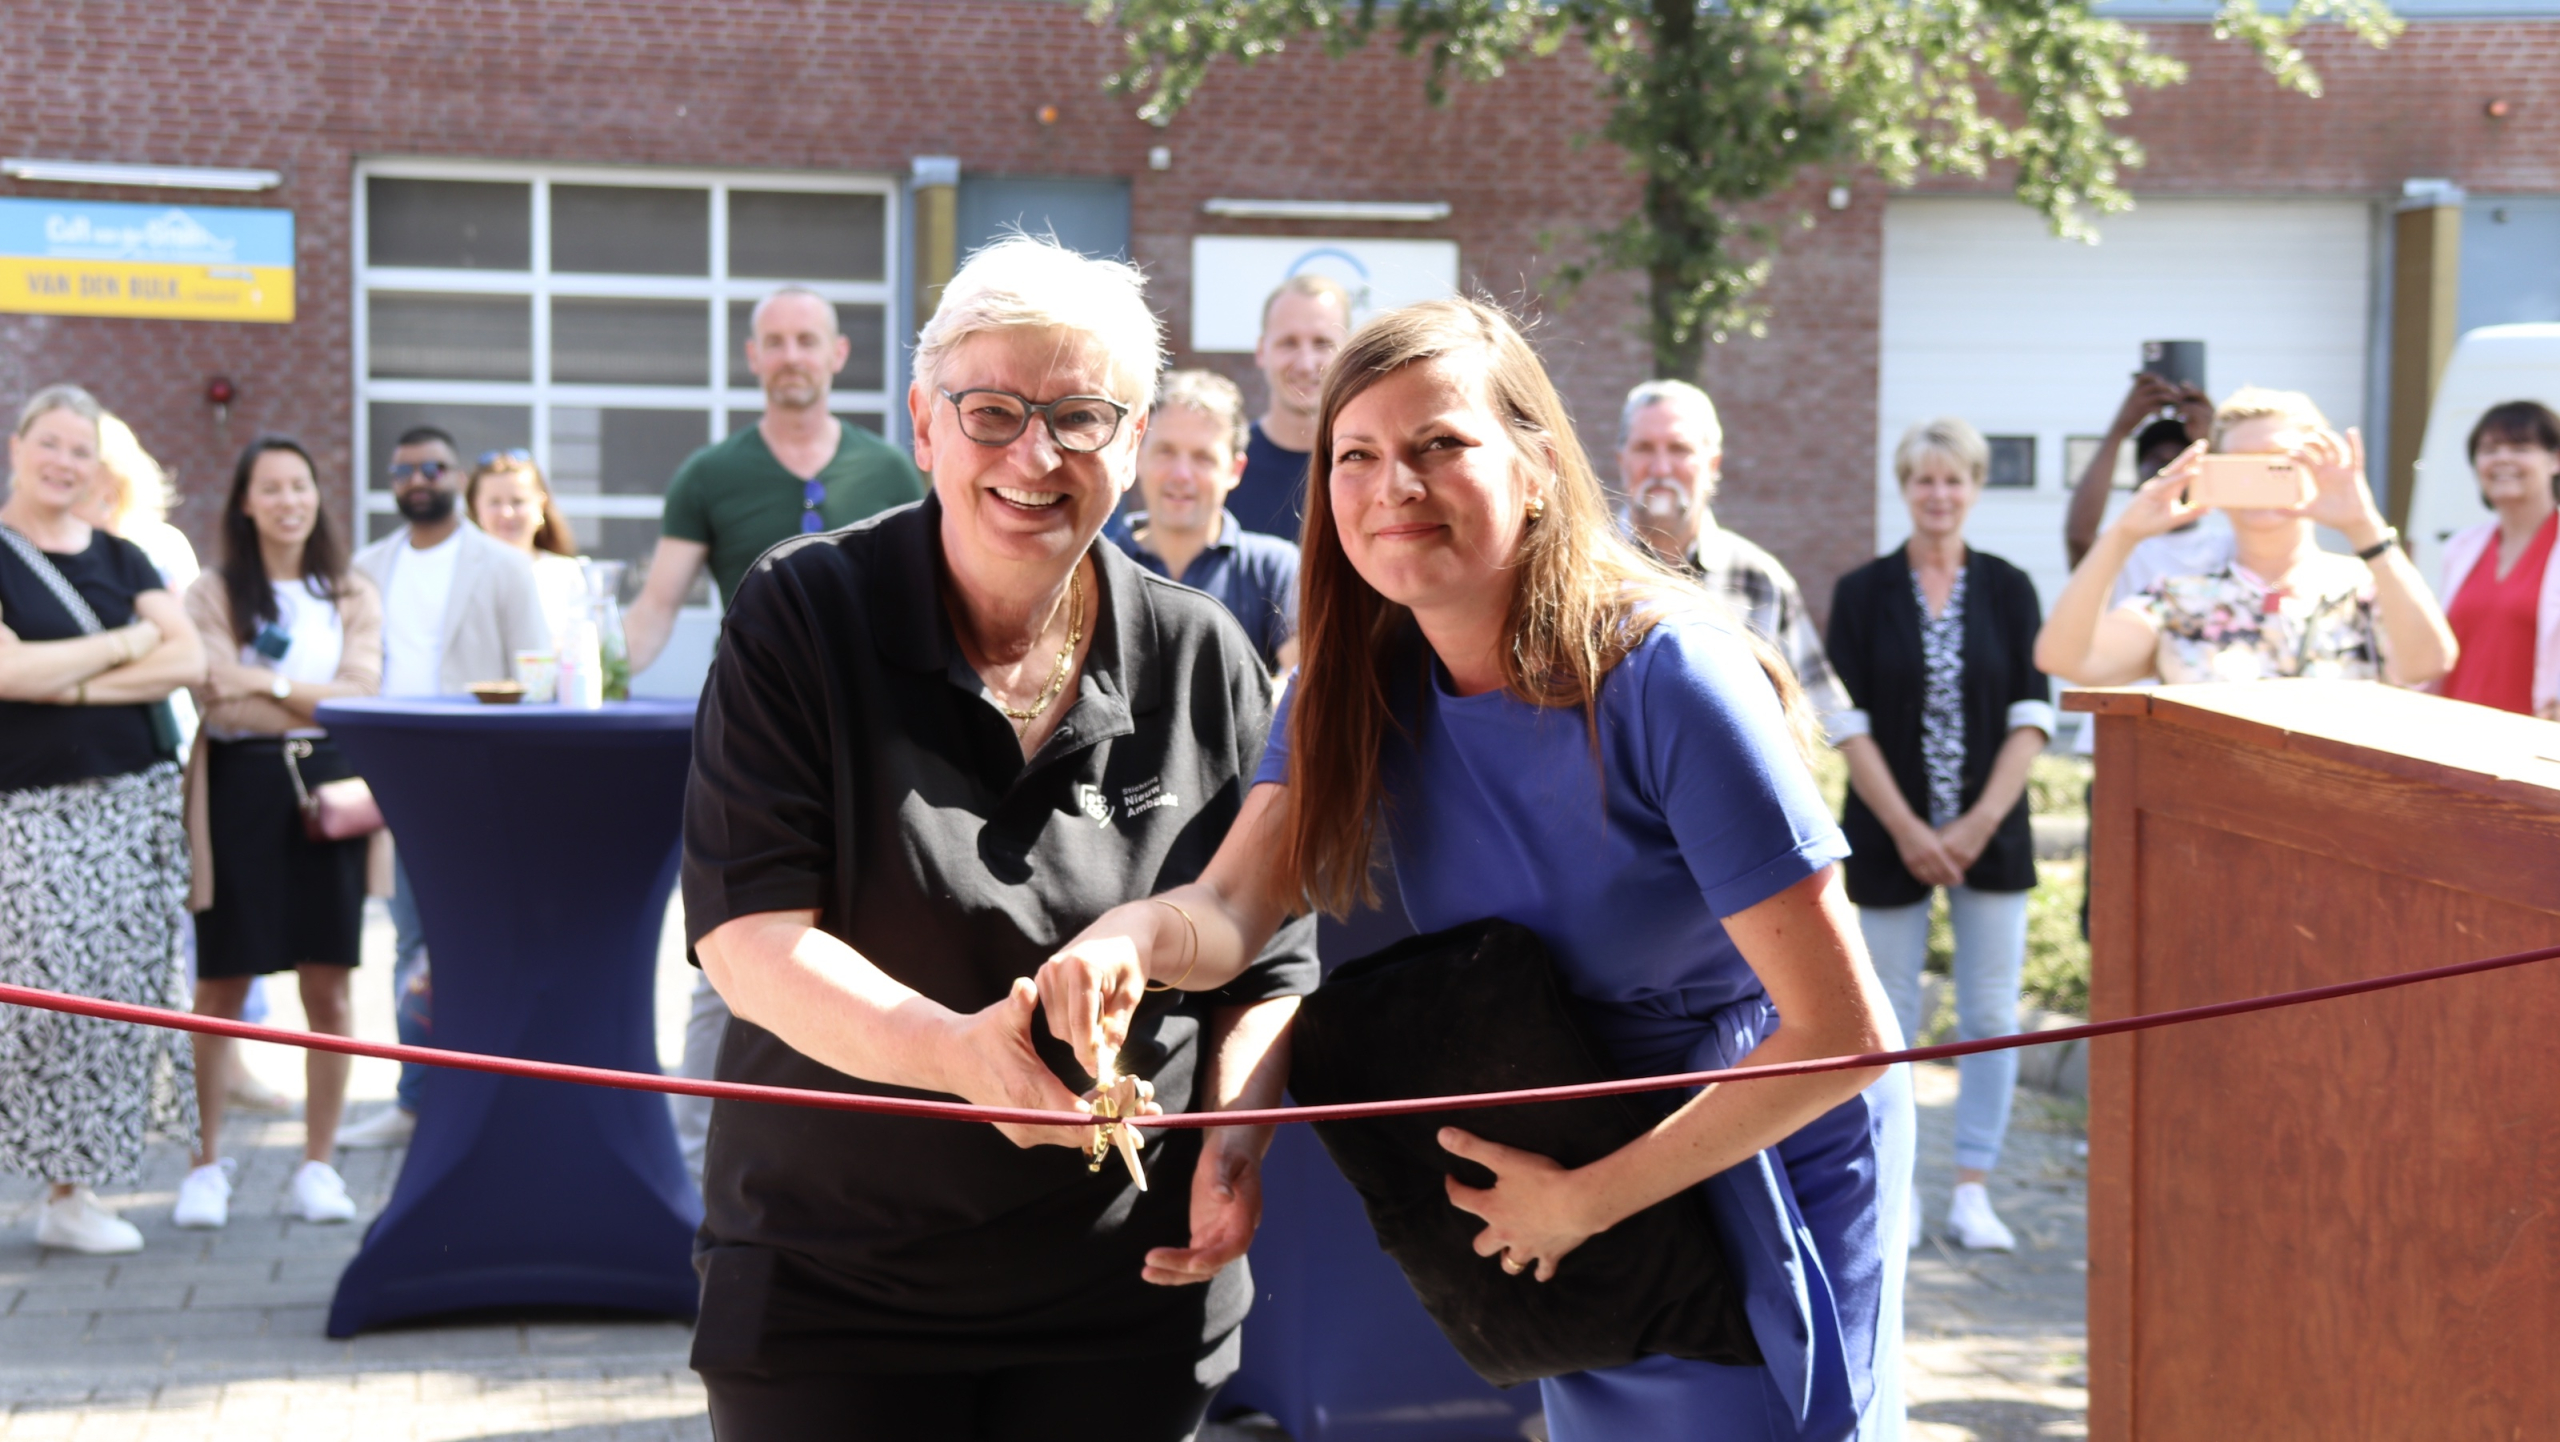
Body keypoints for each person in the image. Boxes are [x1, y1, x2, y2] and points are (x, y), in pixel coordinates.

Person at [1043, 298, 1912, 1441]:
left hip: (1743, 1139)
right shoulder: (1343, 685)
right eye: (1356, 454)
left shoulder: (1670, 677)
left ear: (1538, 464)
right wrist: (1131, 938)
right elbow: (1230, 903)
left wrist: (1583, 1201)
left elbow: (1845, 1031)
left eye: (1438, 444)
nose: (1392, 484)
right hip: (1562, 1134)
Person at [682, 235, 1317, 1439]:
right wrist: (959, 1055)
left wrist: (1234, 1142)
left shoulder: (1200, 658)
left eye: (1081, 416)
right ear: (924, 423)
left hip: (1125, 1295)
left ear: (1132, 443)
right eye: (993, 411)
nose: (1035, 454)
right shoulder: (801, 615)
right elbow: (750, 940)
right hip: (833, 1286)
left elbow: (1275, 962)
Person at [622, 285, 926, 1180]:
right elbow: (653, 613)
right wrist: (584, 678)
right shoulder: (709, 476)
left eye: (808, 339)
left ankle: (868, 1159)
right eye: (775, 341)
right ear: (752, 358)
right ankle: (693, 1172)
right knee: (734, 947)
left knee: (876, 948)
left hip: (880, 752)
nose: (792, 354)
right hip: (755, 747)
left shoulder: (894, 472)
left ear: (838, 356)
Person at [1826, 417, 2054, 1254]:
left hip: (1990, 836)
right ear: (1903, 487)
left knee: (1991, 1013)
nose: (1939, 494)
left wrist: (1974, 826)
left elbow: (2033, 717)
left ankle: (1973, 1189)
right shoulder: (1861, 591)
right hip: (1890, 837)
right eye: (1924, 479)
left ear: (1976, 488)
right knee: (1888, 1017)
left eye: (1954, 480)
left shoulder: (2010, 587)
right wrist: (1912, 830)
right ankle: (1901, 1191)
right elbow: (1846, 724)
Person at [0, 384, 205, 1255]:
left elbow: (189, 654)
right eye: (50, 443)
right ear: (18, 446)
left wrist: (72, 679)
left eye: (80, 450)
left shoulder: (123, 555)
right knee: (36, 996)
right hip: (33, 810)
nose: (64, 462)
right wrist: (127, 648)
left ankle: (70, 1192)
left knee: (111, 1000)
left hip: (134, 806)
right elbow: (8, 674)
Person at [177, 436, 382, 1228]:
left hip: (332, 794)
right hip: (241, 794)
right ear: (246, 502)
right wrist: (306, 696)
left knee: (327, 983)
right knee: (222, 982)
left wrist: (267, 679)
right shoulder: (214, 591)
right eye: (273, 488)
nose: (290, 500)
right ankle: (204, 1164)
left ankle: (318, 1165)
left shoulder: (349, 591)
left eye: (301, 485)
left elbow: (359, 695)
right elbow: (216, 703)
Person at [340, 425, 550, 1150]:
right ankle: (414, 1101)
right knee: (413, 945)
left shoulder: (500, 565)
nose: (418, 478)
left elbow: (535, 675)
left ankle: (498, 1094)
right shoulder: (365, 568)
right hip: (400, 783)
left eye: (433, 466)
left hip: (482, 783)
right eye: (404, 469)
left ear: (454, 476)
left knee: (491, 941)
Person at [2036, 388, 2458, 693]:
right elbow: (2066, 660)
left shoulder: (2366, 588)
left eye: (2279, 463)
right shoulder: (2180, 599)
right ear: (2212, 474)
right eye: (2240, 465)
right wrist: (2123, 535)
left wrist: (2366, 528)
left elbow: (2428, 662)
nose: (2259, 478)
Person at [1617, 378, 1850, 723]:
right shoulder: (1579, 570)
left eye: (1679, 449)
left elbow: (1823, 713)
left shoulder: (1760, 581)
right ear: (1622, 460)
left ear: (1712, 465)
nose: (1661, 468)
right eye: (1645, 448)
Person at [1111, 369, 1301, 673]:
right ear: (1138, 456)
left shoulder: (1275, 569)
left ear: (1235, 470)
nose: (1181, 475)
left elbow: (1303, 688)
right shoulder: (1095, 564)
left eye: (1203, 458)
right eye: (1166, 451)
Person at [2431, 399, 2560, 719]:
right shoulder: (2461, 547)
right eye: (2489, 449)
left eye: (2520, 447)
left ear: (2556, 459)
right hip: (2454, 736)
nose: (2502, 458)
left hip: (2535, 747)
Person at [1227, 273, 1354, 542]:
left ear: (1347, 353)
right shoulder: (1223, 471)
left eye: (1322, 343)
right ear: (1262, 350)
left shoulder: (1373, 466)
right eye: (1289, 343)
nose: (1306, 363)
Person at [2063, 371, 2220, 571]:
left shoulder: (2229, 549)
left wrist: (2218, 440)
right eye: (2156, 459)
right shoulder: (2122, 548)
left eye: (2180, 458)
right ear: (2137, 478)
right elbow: (2079, 538)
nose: (2168, 467)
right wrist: (2119, 429)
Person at [468, 448, 588, 645]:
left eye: (518, 501)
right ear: (476, 508)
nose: (506, 513)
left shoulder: (566, 574)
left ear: (541, 505)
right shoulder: (462, 575)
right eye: (494, 502)